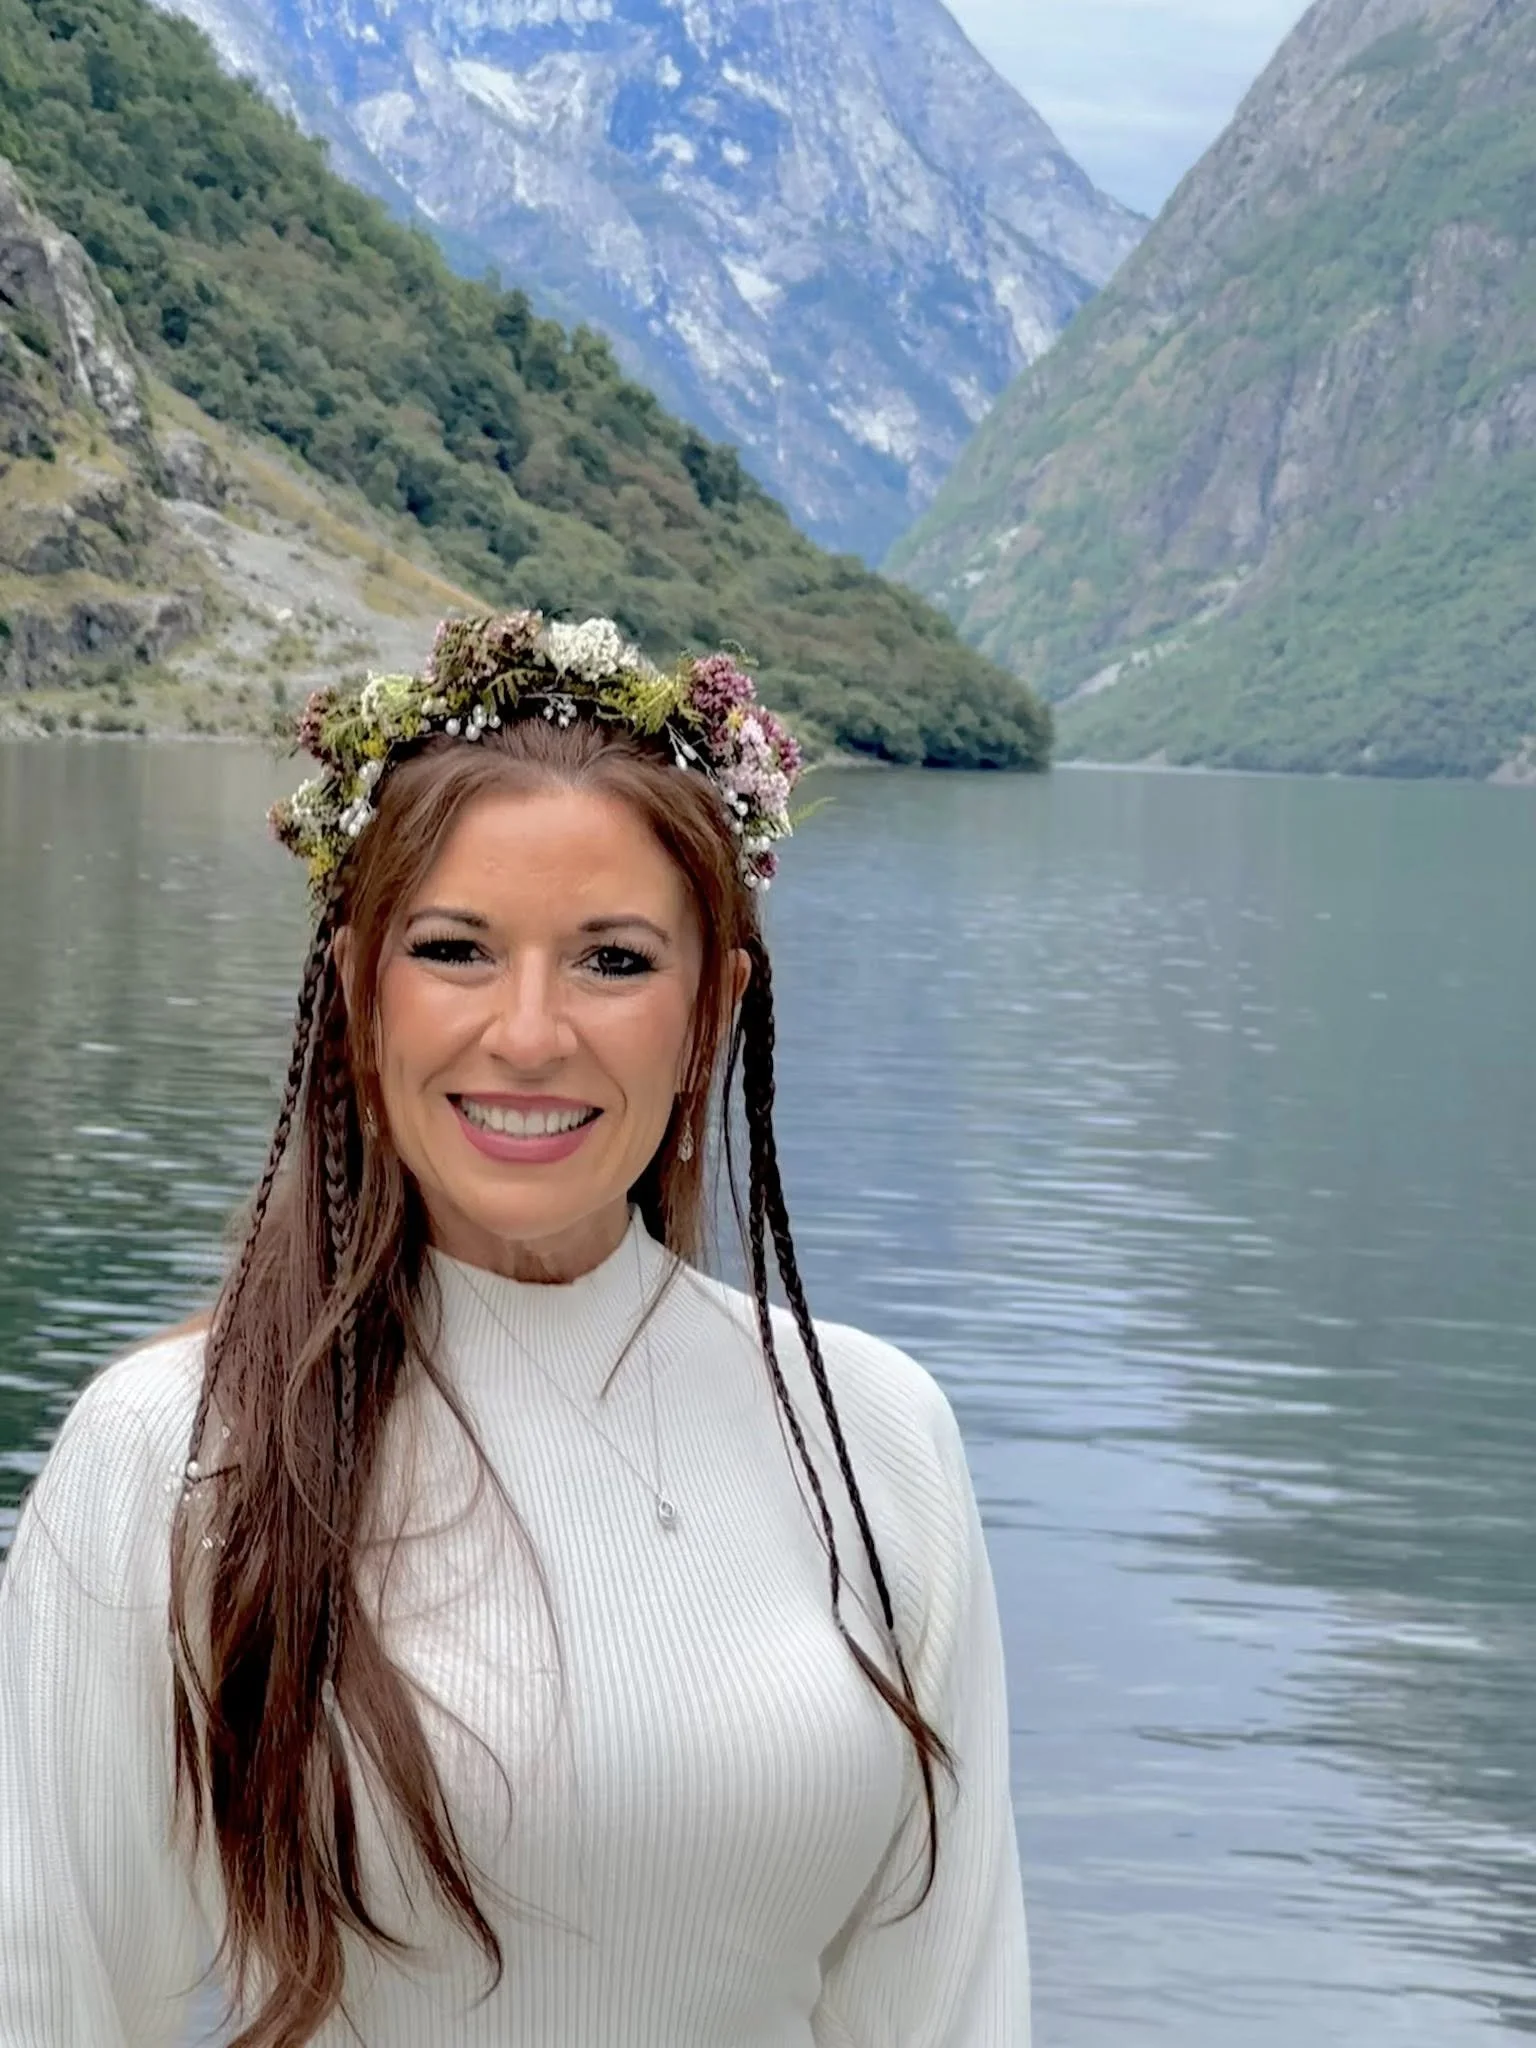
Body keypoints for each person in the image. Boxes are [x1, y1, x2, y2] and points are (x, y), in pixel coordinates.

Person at [0, 612, 1030, 2047]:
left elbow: (952, 2005)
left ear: (710, 1012)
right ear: (361, 995)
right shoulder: (174, 1452)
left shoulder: (876, 1433)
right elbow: (42, 2002)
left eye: (613, 960)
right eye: (457, 950)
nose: (531, 1033)